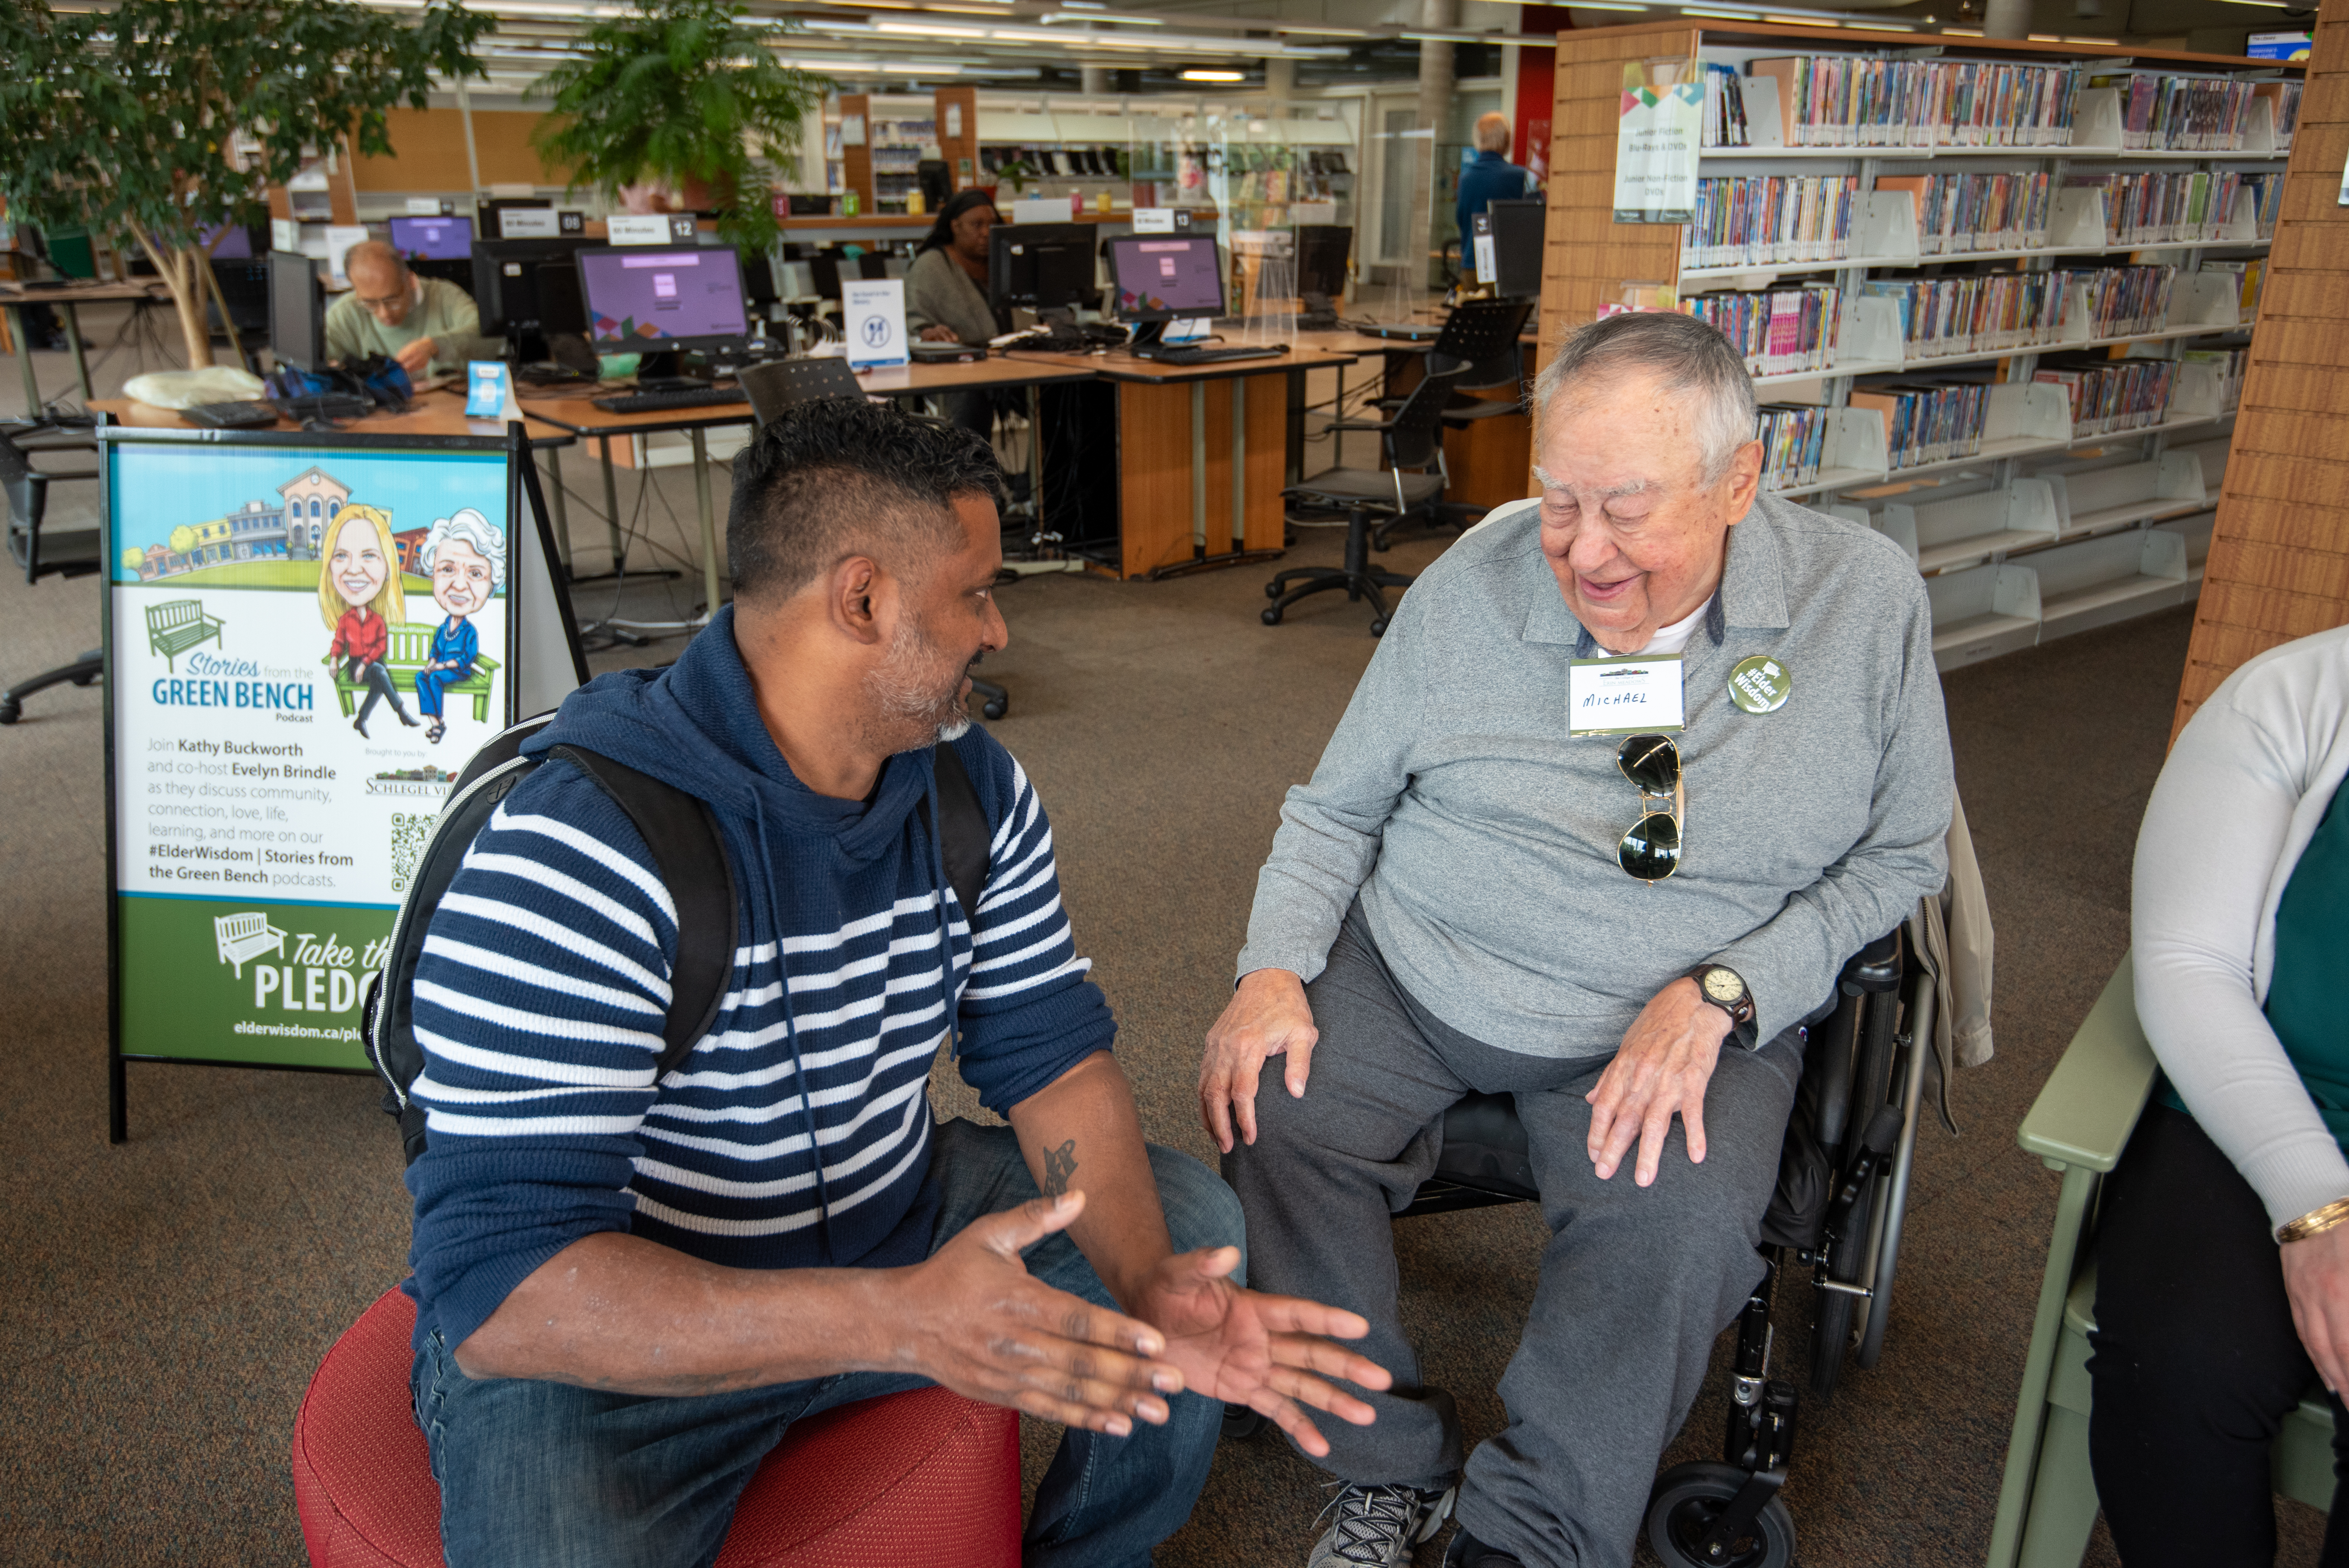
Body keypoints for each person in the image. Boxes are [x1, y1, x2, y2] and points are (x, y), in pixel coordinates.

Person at [402, 396, 1395, 1568]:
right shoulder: (581, 846)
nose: (998, 630)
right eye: (976, 593)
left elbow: (1052, 1059)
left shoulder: (971, 789)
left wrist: (1147, 1286)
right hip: (646, 1315)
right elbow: (504, 1282)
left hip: (897, 1222)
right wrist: (899, 1317)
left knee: (1185, 1234)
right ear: (861, 597)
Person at [1198, 310, 1954, 1568]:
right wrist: (1270, 969)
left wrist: (1727, 988)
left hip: (1674, 1007)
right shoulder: (1473, 585)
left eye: (1626, 511)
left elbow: (1900, 854)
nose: (1583, 554)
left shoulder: (1857, 605)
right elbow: (1336, 806)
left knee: (1674, 1229)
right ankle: (1382, 1463)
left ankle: (1532, 1531)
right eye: (1558, 503)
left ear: (1737, 485)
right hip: (1422, 961)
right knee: (1270, 1108)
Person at [2092, 622, 2349, 1566]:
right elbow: (2189, 962)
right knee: (2178, 1370)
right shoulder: (2292, 694)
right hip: (2264, 1097)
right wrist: (2316, 1210)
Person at [904, 189, 1009, 438]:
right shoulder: (932, 265)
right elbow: (911, 317)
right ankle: (970, 473)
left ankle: (1043, 475)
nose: (986, 233)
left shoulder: (1003, 261)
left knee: (1062, 397)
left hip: (1012, 360)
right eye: (977, 225)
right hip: (959, 366)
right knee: (971, 398)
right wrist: (926, 330)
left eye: (992, 225)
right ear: (955, 226)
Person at [326, 239, 501, 380]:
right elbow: (315, 365)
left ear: (410, 280)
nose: (385, 314)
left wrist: (434, 346)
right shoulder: (344, 313)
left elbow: (490, 334)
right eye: (370, 303)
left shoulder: (443, 296)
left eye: (392, 300)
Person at [317, 503, 417, 739]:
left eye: (369, 555)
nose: (353, 570)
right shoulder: (345, 619)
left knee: (379, 676)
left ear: (388, 566)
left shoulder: (378, 620)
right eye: (341, 555)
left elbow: (381, 647)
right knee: (381, 675)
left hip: (371, 665)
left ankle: (362, 720)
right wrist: (334, 660)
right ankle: (401, 712)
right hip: (355, 665)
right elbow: (339, 642)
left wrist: (366, 664)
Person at [413, 507, 504, 745]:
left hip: (458, 670)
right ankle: (436, 723)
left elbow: (468, 658)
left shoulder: (469, 631)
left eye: (475, 573)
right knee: (422, 677)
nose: (460, 585)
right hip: (442, 667)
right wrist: (432, 663)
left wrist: (441, 666)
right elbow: (434, 650)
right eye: (448, 569)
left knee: (435, 679)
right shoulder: (442, 628)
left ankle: (438, 723)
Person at [1455, 113, 1534, 254]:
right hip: (1507, 266)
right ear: (1507, 139)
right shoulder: (1522, 177)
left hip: (1471, 263)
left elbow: (1461, 221)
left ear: (1478, 139)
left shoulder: (1465, 178)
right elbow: (1536, 223)